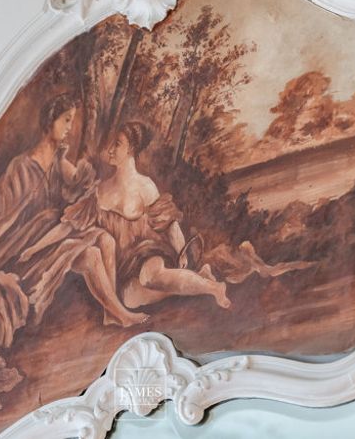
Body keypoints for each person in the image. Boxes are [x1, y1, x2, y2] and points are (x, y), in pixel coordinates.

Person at [20, 121, 231, 313]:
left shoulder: (144, 185)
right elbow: (69, 226)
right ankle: (198, 279)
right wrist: (34, 248)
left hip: (148, 250)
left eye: (117, 144)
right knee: (129, 300)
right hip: (123, 266)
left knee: (149, 277)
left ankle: (214, 288)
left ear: (131, 149)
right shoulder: (99, 191)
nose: (110, 149)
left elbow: (169, 224)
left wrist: (182, 253)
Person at [0, 93, 147, 327]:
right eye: (66, 120)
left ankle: (111, 312)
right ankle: (121, 314)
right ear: (50, 121)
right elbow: (2, 218)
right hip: (25, 245)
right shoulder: (21, 167)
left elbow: (79, 181)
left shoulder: (58, 162)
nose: (69, 127)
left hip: (51, 233)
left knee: (106, 240)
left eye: (72, 121)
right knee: (92, 255)